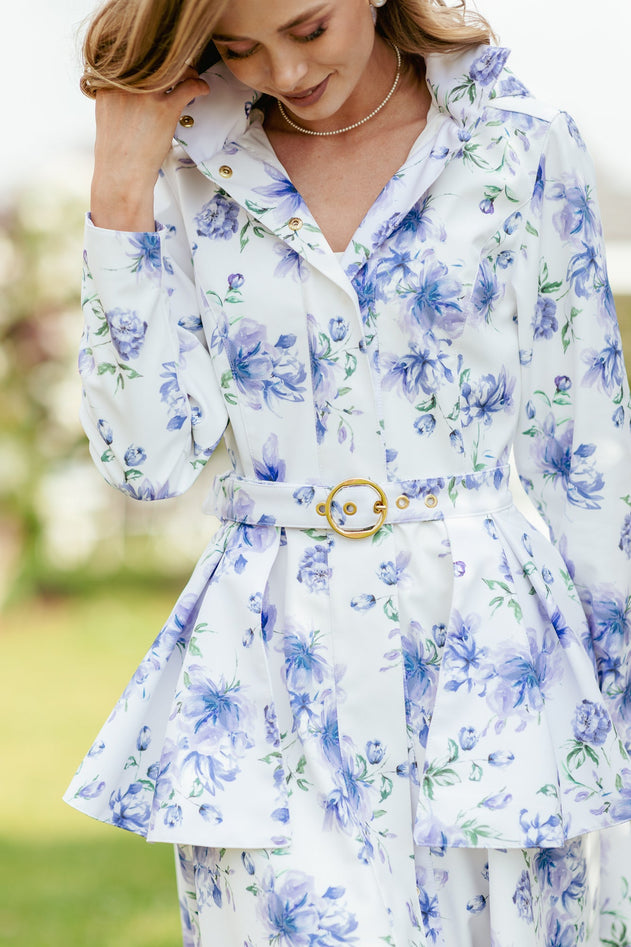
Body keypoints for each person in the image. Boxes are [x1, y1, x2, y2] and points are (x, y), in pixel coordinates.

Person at [64, 0, 631, 943]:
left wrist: (613, 720)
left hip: (489, 666)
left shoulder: (519, 149)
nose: (281, 72)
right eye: (238, 50)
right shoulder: (186, 169)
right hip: (266, 675)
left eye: (308, 28)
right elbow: (147, 461)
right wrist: (120, 187)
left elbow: (586, 458)